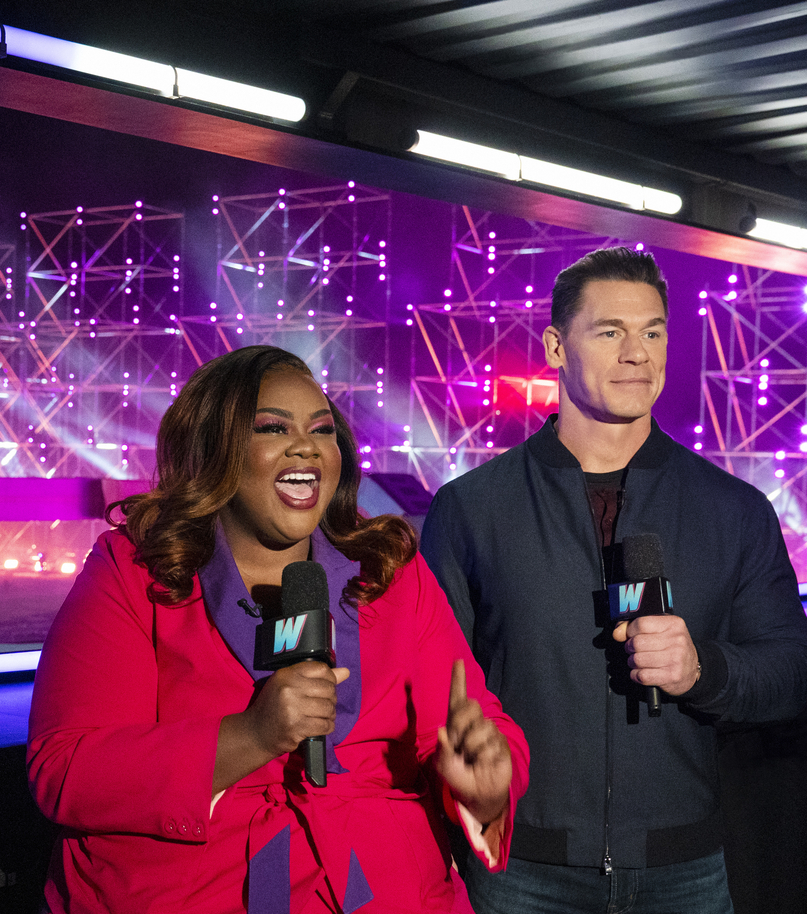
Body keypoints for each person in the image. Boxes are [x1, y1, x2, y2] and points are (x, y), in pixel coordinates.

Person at [27, 345, 529, 913]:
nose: (306, 446)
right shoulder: (135, 569)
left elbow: (477, 722)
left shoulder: (391, 571)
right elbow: (66, 768)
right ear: (215, 448)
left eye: (322, 429)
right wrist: (251, 736)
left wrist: (486, 785)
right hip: (192, 891)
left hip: (382, 890)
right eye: (272, 428)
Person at [419, 246, 807, 913]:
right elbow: (430, 685)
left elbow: (793, 671)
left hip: (683, 869)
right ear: (555, 346)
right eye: (610, 331)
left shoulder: (734, 509)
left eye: (653, 331)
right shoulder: (472, 508)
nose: (638, 352)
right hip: (521, 869)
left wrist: (702, 672)